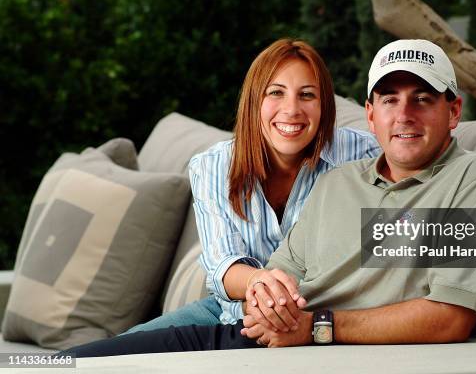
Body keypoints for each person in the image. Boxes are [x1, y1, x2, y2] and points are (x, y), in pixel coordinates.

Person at [61, 39, 476, 356]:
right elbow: (278, 272)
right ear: (370, 114)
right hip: (252, 328)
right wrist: (269, 305)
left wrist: (319, 328)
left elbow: (451, 318)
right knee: (87, 359)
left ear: (454, 110)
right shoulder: (341, 180)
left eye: (423, 98)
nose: (404, 115)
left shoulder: (475, 181)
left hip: (306, 344)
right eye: (389, 99)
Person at [123, 38, 381, 334]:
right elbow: (222, 264)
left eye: (307, 95)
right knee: (101, 357)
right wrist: (260, 284)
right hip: (232, 314)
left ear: (324, 105)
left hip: (323, 320)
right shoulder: (213, 165)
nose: (292, 109)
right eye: (276, 93)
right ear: (254, 101)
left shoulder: (363, 155)